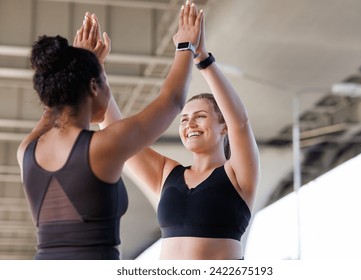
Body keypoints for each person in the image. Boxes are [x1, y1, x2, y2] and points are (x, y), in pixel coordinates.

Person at [16, 2, 203, 260]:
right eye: (104, 80)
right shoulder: (101, 148)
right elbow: (171, 101)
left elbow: (54, 106)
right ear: (94, 86)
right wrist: (186, 45)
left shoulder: (27, 150)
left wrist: (82, 66)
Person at [101, 4, 260, 259]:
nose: (189, 125)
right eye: (184, 119)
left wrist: (202, 58)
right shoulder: (167, 174)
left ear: (223, 127)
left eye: (200, 117)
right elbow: (115, 137)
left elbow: (240, 121)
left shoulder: (238, 175)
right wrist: (96, 74)